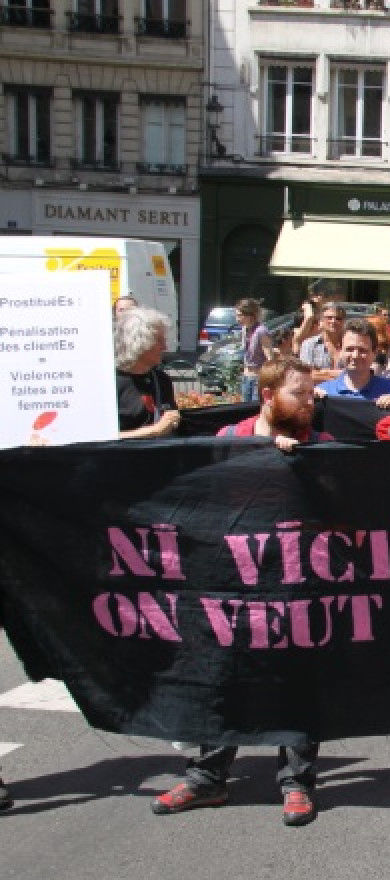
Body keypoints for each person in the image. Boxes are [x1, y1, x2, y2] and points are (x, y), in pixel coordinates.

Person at [153, 358, 329, 827]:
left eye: (312, 394)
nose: (310, 403)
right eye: (300, 394)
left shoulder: (325, 446)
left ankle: (296, 782)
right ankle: (207, 777)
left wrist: (303, 466)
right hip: (231, 583)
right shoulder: (229, 441)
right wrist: (264, 456)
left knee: (295, 679)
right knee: (219, 674)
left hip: (297, 584)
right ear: (269, 396)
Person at [116, 306, 181, 440]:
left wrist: (172, 420)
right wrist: (153, 431)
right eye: (159, 340)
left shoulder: (162, 380)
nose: (165, 347)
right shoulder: (109, 384)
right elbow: (95, 438)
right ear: (138, 342)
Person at [315, 318, 390, 409]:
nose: (355, 355)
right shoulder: (324, 393)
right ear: (340, 350)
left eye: (362, 350)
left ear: (374, 353)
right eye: (350, 349)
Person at [237, 298, 275, 403]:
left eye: (240, 315)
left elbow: (270, 358)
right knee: (244, 409)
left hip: (258, 378)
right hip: (246, 376)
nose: (237, 319)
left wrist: (268, 379)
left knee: (255, 408)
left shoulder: (261, 331)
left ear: (250, 316)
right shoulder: (245, 329)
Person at [298, 301, 346, 383]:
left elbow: (360, 374)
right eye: (329, 317)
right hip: (319, 394)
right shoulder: (309, 344)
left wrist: (324, 372)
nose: (333, 321)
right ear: (321, 320)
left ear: (344, 322)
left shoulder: (351, 344)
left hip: (348, 394)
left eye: (338, 318)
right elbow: (307, 375)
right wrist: (344, 376)